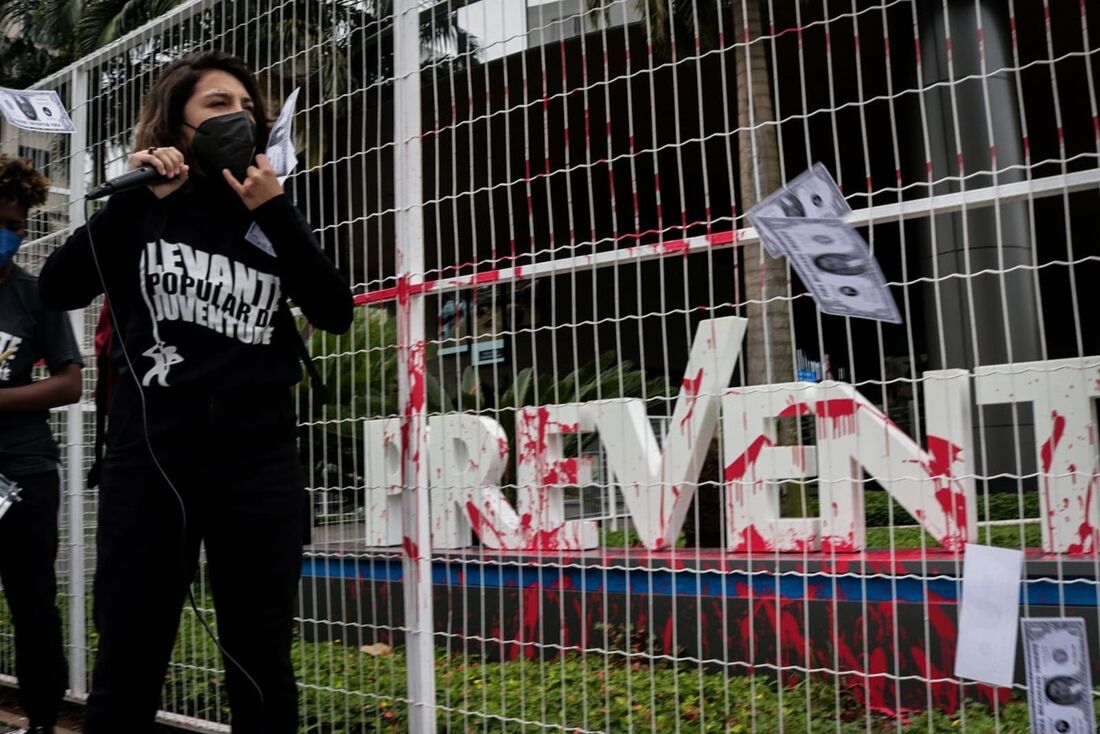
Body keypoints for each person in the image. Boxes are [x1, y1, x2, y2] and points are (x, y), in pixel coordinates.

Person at [38, 51, 353, 732]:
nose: (237, 115)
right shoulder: (139, 206)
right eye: (217, 104)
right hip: (149, 456)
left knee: (260, 654)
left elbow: (334, 309)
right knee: (131, 647)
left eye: (247, 107)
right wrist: (135, 199)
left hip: (258, 459)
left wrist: (276, 212)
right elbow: (57, 288)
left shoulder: (267, 208)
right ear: (177, 125)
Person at [0, 156, 83, 734]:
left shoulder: (36, 293)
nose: (12, 235)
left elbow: (70, 381)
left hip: (24, 471)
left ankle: (42, 722)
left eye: (19, 226)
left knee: (32, 603)